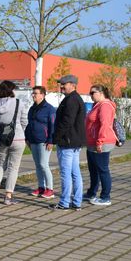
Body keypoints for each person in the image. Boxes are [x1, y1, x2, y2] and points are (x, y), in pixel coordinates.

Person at [0, 80, 28, 205]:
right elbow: (24, 122)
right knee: (13, 168)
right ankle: (8, 196)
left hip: (2, 139)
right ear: (11, 90)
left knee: (0, 164)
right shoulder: (18, 103)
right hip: (17, 138)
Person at [52, 74, 86, 210]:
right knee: (74, 173)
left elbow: (67, 122)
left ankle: (64, 202)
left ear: (72, 85)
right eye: (61, 84)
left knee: (66, 173)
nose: (61, 87)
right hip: (74, 142)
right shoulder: (75, 99)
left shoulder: (71, 100)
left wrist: (56, 137)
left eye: (64, 84)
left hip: (67, 142)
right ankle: (77, 202)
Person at [84, 84, 116, 206]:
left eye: (93, 93)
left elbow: (105, 125)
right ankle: (92, 192)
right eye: (90, 93)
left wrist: (100, 141)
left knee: (103, 170)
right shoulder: (96, 105)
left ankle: (105, 197)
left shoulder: (105, 105)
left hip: (102, 143)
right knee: (93, 170)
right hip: (92, 142)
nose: (90, 95)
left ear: (101, 93)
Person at [25, 86, 56, 198]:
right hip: (33, 141)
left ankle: (50, 189)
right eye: (33, 93)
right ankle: (41, 187)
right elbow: (29, 124)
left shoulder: (49, 109)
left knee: (44, 164)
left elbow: (52, 126)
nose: (33, 95)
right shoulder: (32, 109)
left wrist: (51, 141)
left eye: (35, 93)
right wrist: (27, 138)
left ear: (42, 95)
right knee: (38, 165)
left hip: (44, 142)